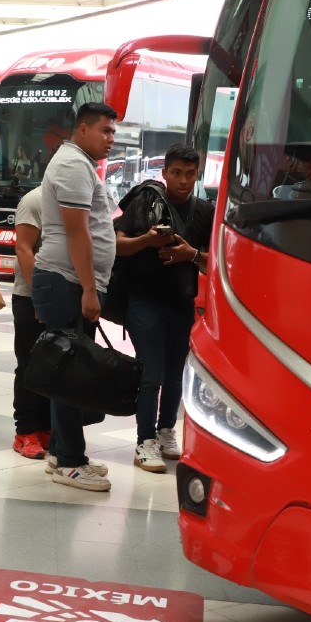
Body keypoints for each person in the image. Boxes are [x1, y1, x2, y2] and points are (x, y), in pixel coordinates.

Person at [31, 102, 118, 492]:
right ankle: (68, 462)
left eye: (113, 132)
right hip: (66, 281)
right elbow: (77, 232)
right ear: (82, 129)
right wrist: (87, 288)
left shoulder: (80, 163)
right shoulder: (71, 165)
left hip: (70, 280)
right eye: (105, 130)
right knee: (68, 372)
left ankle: (66, 453)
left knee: (66, 368)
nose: (111, 139)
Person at [114, 144, 212, 473]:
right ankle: (145, 441)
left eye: (190, 174)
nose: (183, 180)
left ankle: (166, 429)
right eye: (177, 173)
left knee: (175, 376)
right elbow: (118, 245)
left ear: (197, 175)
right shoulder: (146, 201)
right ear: (165, 173)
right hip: (144, 302)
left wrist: (192, 256)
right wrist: (148, 241)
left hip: (182, 304)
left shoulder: (204, 211)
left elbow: (220, 263)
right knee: (151, 373)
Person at [10, 186, 51, 459]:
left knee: (55, 364)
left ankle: (47, 427)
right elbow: (24, 248)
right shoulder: (34, 200)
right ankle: (25, 431)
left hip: (63, 296)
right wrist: (40, 297)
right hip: (31, 297)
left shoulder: (79, 200)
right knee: (29, 364)